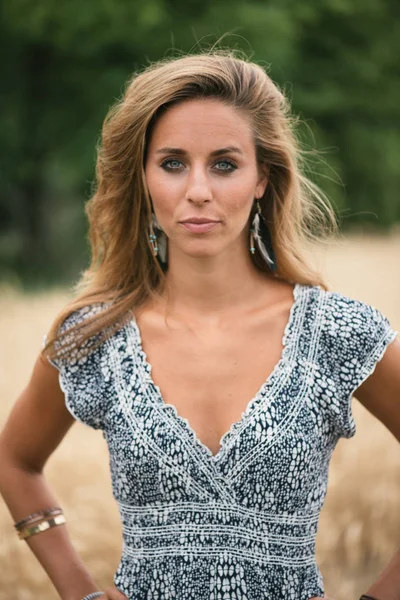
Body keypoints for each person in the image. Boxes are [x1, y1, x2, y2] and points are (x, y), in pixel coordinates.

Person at [0, 50, 399, 600]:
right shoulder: (96, 337)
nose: (198, 191)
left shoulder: (337, 332)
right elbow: (14, 459)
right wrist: (78, 591)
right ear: (142, 179)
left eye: (224, 164)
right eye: (172, 163)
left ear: (263, 177)